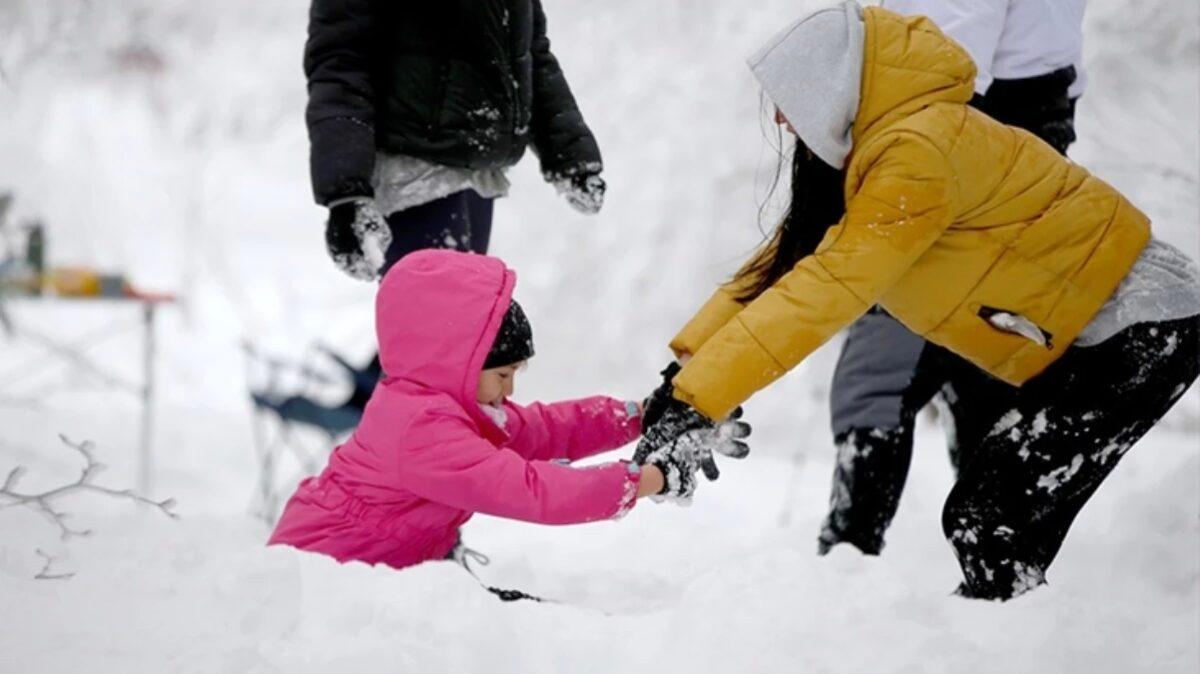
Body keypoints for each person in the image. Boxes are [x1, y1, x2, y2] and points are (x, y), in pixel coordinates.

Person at [638, 1, 1200, 600]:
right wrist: (686, 376)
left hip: (1144, 326)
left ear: (829, 91)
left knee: (987, 514)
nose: (779, 118)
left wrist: (697, 401)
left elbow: (822, 292)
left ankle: (1010, 650)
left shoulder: (918, 155)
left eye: (789, 98)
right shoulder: (885, 153)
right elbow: (783, 269)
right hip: (1104, 335)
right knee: (991, 512)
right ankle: (1012, 640)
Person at [269, 250, 749, 573]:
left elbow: (544, 430)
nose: (510, 388)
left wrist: (642, 414)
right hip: (317, 575)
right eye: (502, 374)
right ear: (457, 359)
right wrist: (651, 478)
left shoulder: (448, 406)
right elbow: (532, 490)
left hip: (378, 571)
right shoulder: (421, 429)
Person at [821, 0, 1089, 557]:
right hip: (1020, 141)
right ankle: (1001, 567)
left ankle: (850, 559)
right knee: (989, 369)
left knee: (883, 369)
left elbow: (944, 60)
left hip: (964, 147)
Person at [305, 0, 606, 281]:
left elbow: (529, 52)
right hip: (411, 177)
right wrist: (345, 192)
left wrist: (570, 151)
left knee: (464, 329)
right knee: (433, 327)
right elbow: (340, 60)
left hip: (477, 173)